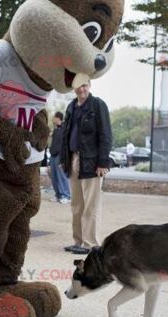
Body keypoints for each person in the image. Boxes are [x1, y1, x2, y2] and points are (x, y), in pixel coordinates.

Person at [60, 82, 112, 254]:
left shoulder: (98, 105)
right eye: (78, 86)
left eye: (84, 85)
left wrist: (103, 162)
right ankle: (78, 241)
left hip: (91, 160)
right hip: (73, 158)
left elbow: (106, 134)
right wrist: (64, 159)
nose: (81, 89)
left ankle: (90, 244)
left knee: (91, 204)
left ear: (89, 85)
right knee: (76, 204)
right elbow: (65, 135)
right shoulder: (71, 106)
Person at [49, 112, 71, 204]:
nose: (53, 119)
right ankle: (58, 195)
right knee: (54, 177)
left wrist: (64, 157)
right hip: (53, 155)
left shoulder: (64, 128)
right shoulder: (55, 129)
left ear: (58, 118)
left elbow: (65, 144)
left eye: (54, 117)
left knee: (62, 176)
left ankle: (66, 195)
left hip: (60, 155)